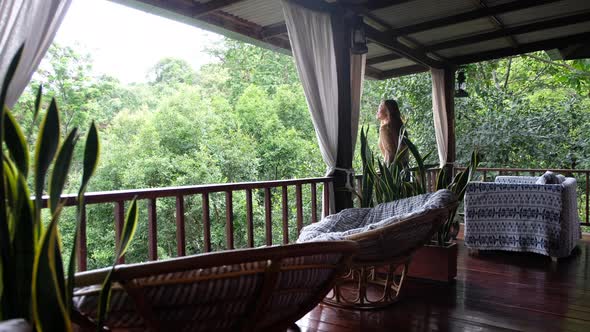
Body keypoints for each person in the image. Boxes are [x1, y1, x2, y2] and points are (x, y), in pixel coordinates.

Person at [376, 99, 407, 165]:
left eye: (380, 108)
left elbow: (390, 153)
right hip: (404, 169)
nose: (377, 111)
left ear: (387, 112)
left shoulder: (385, 128)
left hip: (392, 171)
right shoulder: (399, 127)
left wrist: (385, 171)